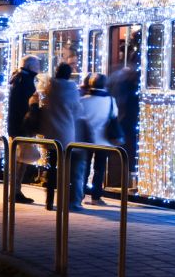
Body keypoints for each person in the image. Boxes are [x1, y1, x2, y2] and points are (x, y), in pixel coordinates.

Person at [41, 63, 82, 211]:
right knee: (65, 169)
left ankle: (49, 201)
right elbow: (77, 110)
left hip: (50, 132)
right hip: (66, 132)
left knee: (51, 167)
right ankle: (63, 201)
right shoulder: (72, 89)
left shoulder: (49, 87)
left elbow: (43, 104)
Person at [78, 73, 119, 206]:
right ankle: (96, 197)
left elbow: (78, 117)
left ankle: (80, 195)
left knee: (84, 168)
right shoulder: (110, 100)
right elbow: (114, 115)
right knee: (99, 169)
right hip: (103, 140)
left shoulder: (83, 100)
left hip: (86, 139)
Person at [7, 56, 41, 203]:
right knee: (21, 160)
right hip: (22, 127)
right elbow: (25, 106)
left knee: (20, 159)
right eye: (37, 64)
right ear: (30, 66)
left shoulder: (19, 78)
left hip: (17, 126)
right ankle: (15, 192)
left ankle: (16, 191)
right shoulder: (25, 81)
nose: (39, 67)